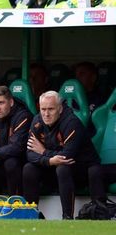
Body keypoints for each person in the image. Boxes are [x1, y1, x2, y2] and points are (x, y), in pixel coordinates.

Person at [23, 91, 106, 219]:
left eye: (51, 109)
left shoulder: (71, 122)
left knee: (63, 168)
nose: (46, 114)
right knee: (29, 168)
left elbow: (66, 156)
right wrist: (49, 160)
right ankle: (29, 214)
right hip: (53, 169)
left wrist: (44, 152)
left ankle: (67, 217)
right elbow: (29, 153)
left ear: (60, 108)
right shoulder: (37, 120)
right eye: (43, 109)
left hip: (80, 170)